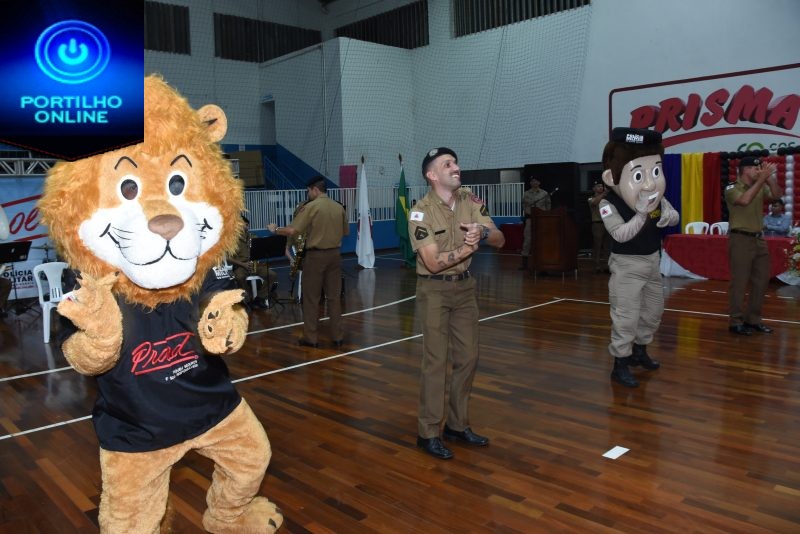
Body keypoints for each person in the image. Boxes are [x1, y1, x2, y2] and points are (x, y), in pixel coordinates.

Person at [409, 147, 505, 460]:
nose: (456, 167)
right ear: (432, 175)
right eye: (447, 164)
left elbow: (500, 239)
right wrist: (467, 248)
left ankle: (457, 425)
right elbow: (432, 262)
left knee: (468, 357)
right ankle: (428, 432)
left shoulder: (469, 200)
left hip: (465, 289)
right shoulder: (420, 212)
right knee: (436, 361)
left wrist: (483, 231)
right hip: (434, 290)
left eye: (456, 162)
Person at [599, 127, 680, 388]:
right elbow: (620, 234)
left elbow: (674, 216)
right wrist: (642, 214)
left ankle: (639, 352)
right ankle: (620, 364)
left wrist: (668, 216)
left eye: (655, 172)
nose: (650, 183)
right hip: (626, 266)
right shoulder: (608, 203)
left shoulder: (657, 199)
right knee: (626, 317)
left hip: (652, 261)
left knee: (653, 312)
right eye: (638, 175)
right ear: (612, 176)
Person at [268, 176, 348, 348]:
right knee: (334, 298)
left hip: (316, 257)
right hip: (335, 255)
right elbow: (345, 232)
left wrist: (276, 229)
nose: (308, 194)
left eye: (308, 191)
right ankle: (338, 337)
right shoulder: (338, 207)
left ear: (315, 189)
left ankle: (311, 338)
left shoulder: (311, 207)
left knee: (311, 298)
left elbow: (292, 230)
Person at [725, 156, 781, 335]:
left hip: (759, 239)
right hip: (740, 239)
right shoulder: (732, 188)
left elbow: (777, 196)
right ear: (745, 170)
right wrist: (762, 179)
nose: (758, 171)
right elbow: (744, 201)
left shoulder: (760, 185)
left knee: (761, 281)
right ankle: (735, 322)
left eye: (760, 168)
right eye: (755, 168)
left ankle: (753, 319)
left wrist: (769, 178)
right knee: (740, 282)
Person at [228, 215, 277, 309]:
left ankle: (260, 298)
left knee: (272, 275)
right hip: (240, 265)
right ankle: (248, 299)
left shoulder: (253, 236)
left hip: (255, 264)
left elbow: (262, 250)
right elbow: (228, 258)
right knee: (239, 277)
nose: (246, 227)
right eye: (243, 224)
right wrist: (243, 264)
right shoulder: (232, 240)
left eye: (247, 225)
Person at [519, 177, 551, 270]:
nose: (534, 182)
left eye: (536, 181)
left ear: (539, 182)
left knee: (542, 240)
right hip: (530, 219)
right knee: (527, 240)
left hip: (542, 219)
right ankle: (524, 264)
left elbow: (548, 205)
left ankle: (543, 262)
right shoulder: (526, 193)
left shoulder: (544, 193)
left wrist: (546, 216)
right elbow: (524, 205)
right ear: (530, 183)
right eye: (533, 181)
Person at [588, 181, 611, 273]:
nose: (601, 187)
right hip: (597, 224)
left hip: (607, 223)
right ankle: (596, 266)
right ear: (594, 189)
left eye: (602, 186)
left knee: (607, 246)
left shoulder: (607, 198)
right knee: (597, 246)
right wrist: (604, 193)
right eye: (598, 186)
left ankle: (607, 266)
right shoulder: (591, 198)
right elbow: (594, 202)